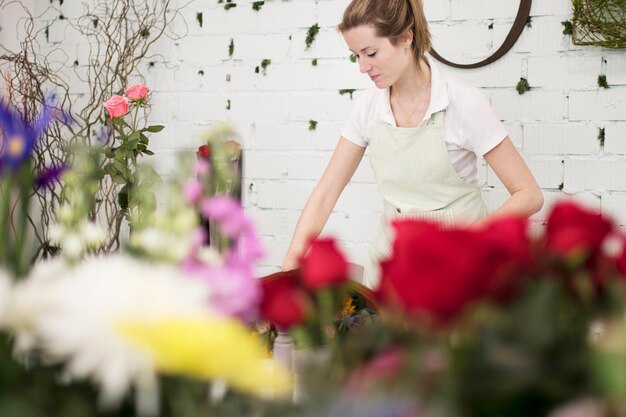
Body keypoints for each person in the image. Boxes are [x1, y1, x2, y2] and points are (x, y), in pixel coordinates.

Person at [282, 0, 543, 288]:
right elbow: (326, 193)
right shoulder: (368, 107)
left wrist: (469, 239)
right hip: (390, 268)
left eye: (371, 53)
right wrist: (288, 269)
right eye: (355, 55)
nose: (362, 67)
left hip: (458, 267)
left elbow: (529, 194)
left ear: (407, 37)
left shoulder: (463, 103)